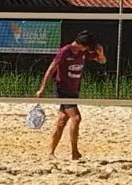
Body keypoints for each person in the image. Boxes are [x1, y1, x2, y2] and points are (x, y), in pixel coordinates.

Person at [36, 31, 106, 160]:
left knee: (62, 121)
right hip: (63, 90)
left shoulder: (82, 52)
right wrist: (42, 88)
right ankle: (75, 152)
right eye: (87, 46)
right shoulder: (65, 51)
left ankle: (51, 152)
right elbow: (51, 69)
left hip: (74, 90)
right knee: (76, 118)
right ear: (82, 44)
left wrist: (101, 53)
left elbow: (102, 61)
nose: (88, 49)